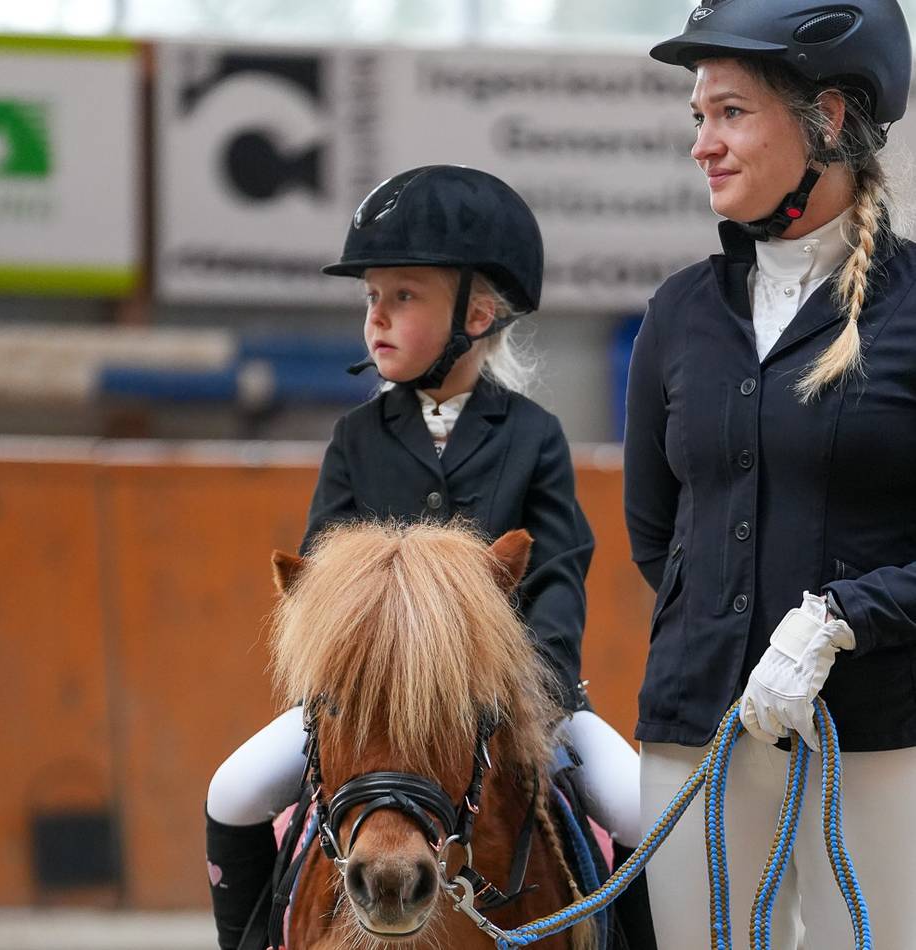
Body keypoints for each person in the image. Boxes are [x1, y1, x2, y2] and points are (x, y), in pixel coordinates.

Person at [205, 165, 643, 950]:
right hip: (369, 709)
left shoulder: (533, 435)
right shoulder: (356, 438)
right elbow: (319, 581)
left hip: (512, 705)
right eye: (371, 298)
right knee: (232, 790)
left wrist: (528, 692)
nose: (377, 318)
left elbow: (558, 572)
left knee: (640, 804)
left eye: (403, 296)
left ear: (476, 313)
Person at [624, 0, 916, 946]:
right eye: (698, 117)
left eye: (733, 113)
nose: (704, 144)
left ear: (828, 118)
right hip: (696, 731)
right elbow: (653, 533)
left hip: (875, 735)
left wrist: (841, 621)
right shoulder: (677, 315)